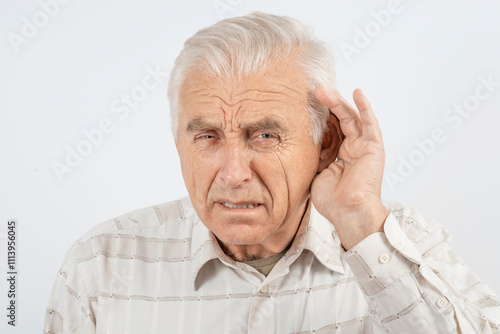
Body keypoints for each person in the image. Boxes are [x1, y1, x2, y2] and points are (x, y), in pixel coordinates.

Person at [44, 12, 500, 333]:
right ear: (179, 142)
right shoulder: (99, 265)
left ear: (325, 144)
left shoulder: (400, 239)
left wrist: (360, 221)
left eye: (264, 136)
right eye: (207, 137)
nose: (234, 172)